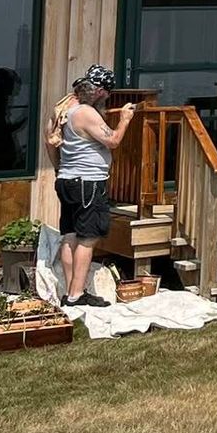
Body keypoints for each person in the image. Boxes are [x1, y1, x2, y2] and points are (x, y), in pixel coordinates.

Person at [44, 66, 134, 309]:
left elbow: (49, 143)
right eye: (107, 94)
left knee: (70, 235)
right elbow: (113, 141)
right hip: (88, 183)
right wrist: (125, 120)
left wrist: (58, 168)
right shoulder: (86, 113)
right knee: (87, 239)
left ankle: (70, 291)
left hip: (67, 181)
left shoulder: (63, 109)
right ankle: (76, 295)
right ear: (101, 91)